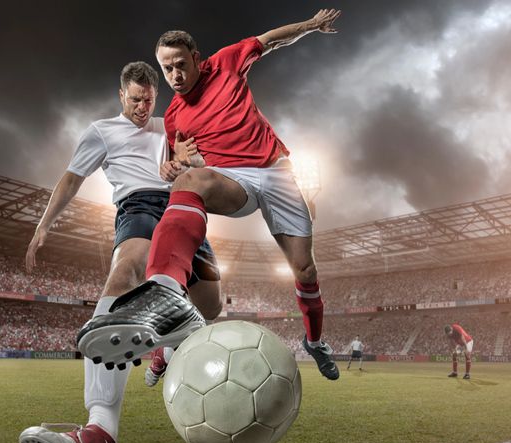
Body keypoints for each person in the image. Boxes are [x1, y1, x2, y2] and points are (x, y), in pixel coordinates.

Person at [76, 9, 343, 381]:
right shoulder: (173, 118)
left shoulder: (227, 63)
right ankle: (165, 289)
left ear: (197, 58)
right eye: (167, 69)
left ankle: (315, 341)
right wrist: (173, 166)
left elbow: (270, 39)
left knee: (305, 269)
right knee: (190, 184)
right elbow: (176, 165)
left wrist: (310, 26)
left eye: (181, 65)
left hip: (277, 171)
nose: (175, 76)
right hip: (234, 180)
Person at [18, 61, 223, 443]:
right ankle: (100, 435)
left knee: (210, 307)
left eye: (149, 99)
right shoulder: (102, 131)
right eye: (135, 100)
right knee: (126, 270)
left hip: (185, 208)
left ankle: (164, 349)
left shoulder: (170, 125)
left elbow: (202, 162)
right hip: (139, 207)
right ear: (120, 95)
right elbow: (71, 180)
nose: (142, 107)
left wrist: (191, 159)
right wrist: (43, 226)